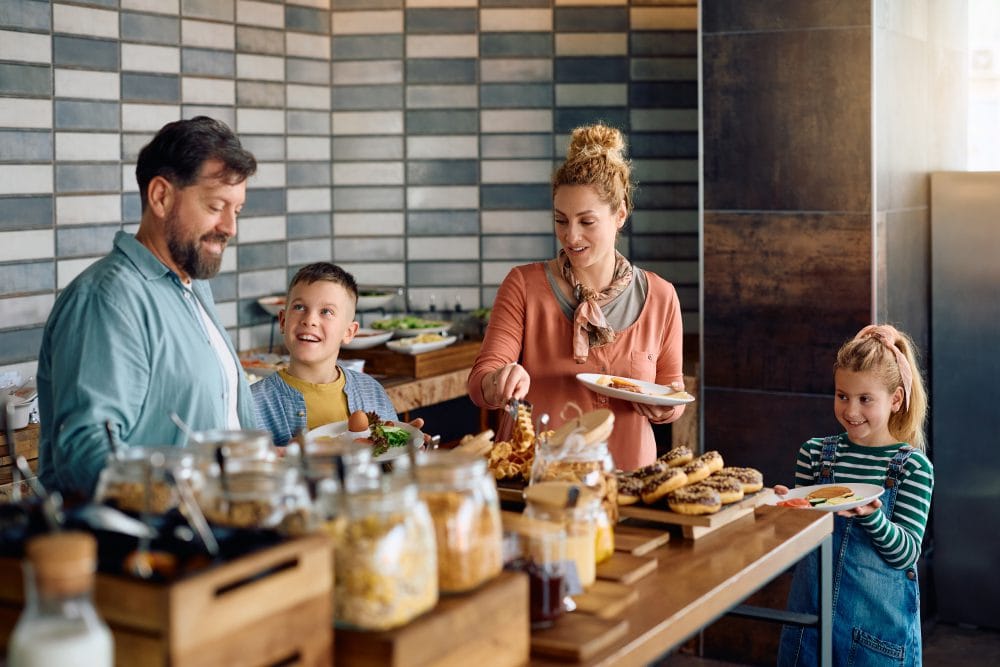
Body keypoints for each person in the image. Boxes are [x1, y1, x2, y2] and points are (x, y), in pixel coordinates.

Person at [37, 116, 258, 499]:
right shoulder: (107, 300)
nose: (229, 227)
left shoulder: (192, 285)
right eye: (216, 206)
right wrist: (194, 488)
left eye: (236, 210)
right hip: (150, 545)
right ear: (161, 197)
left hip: (216, 526)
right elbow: (87, 455)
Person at [467, 123, 686, 471]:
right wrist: (499, 380)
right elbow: (481, 382)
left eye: (587, 222)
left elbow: (672, 392)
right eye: (561, 220)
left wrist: (667, 407)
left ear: (620, 216)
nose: (571, 236)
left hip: (628, 480)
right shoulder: (523, 285)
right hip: (535, 477)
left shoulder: (660, 296)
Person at [775, 324, 933, 666]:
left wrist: (872, 516)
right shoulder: (815, 454)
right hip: (810, 629)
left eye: (865, 399)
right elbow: (799, 541)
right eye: (842, 395)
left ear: (895, 400)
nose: (851, 411)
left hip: (875, 641)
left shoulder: (912, 468)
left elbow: (905, 554)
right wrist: (785, 508)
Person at [252, 262, 399, 446]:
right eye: (299, 307)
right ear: (282, 321)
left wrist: (409, 449)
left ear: (349, 332)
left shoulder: (372, 392)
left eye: (326, 311)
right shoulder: (254, 404)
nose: (309, 320)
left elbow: (391, 462)